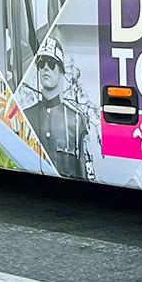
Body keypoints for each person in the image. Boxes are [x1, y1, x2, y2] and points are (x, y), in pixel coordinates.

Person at [22, 35, 88, 179]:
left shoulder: (76, 121)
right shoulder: (25, 117)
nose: (46, 67)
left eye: (51, 63)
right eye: (41, 63)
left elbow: (84, 176)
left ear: (61, 72)